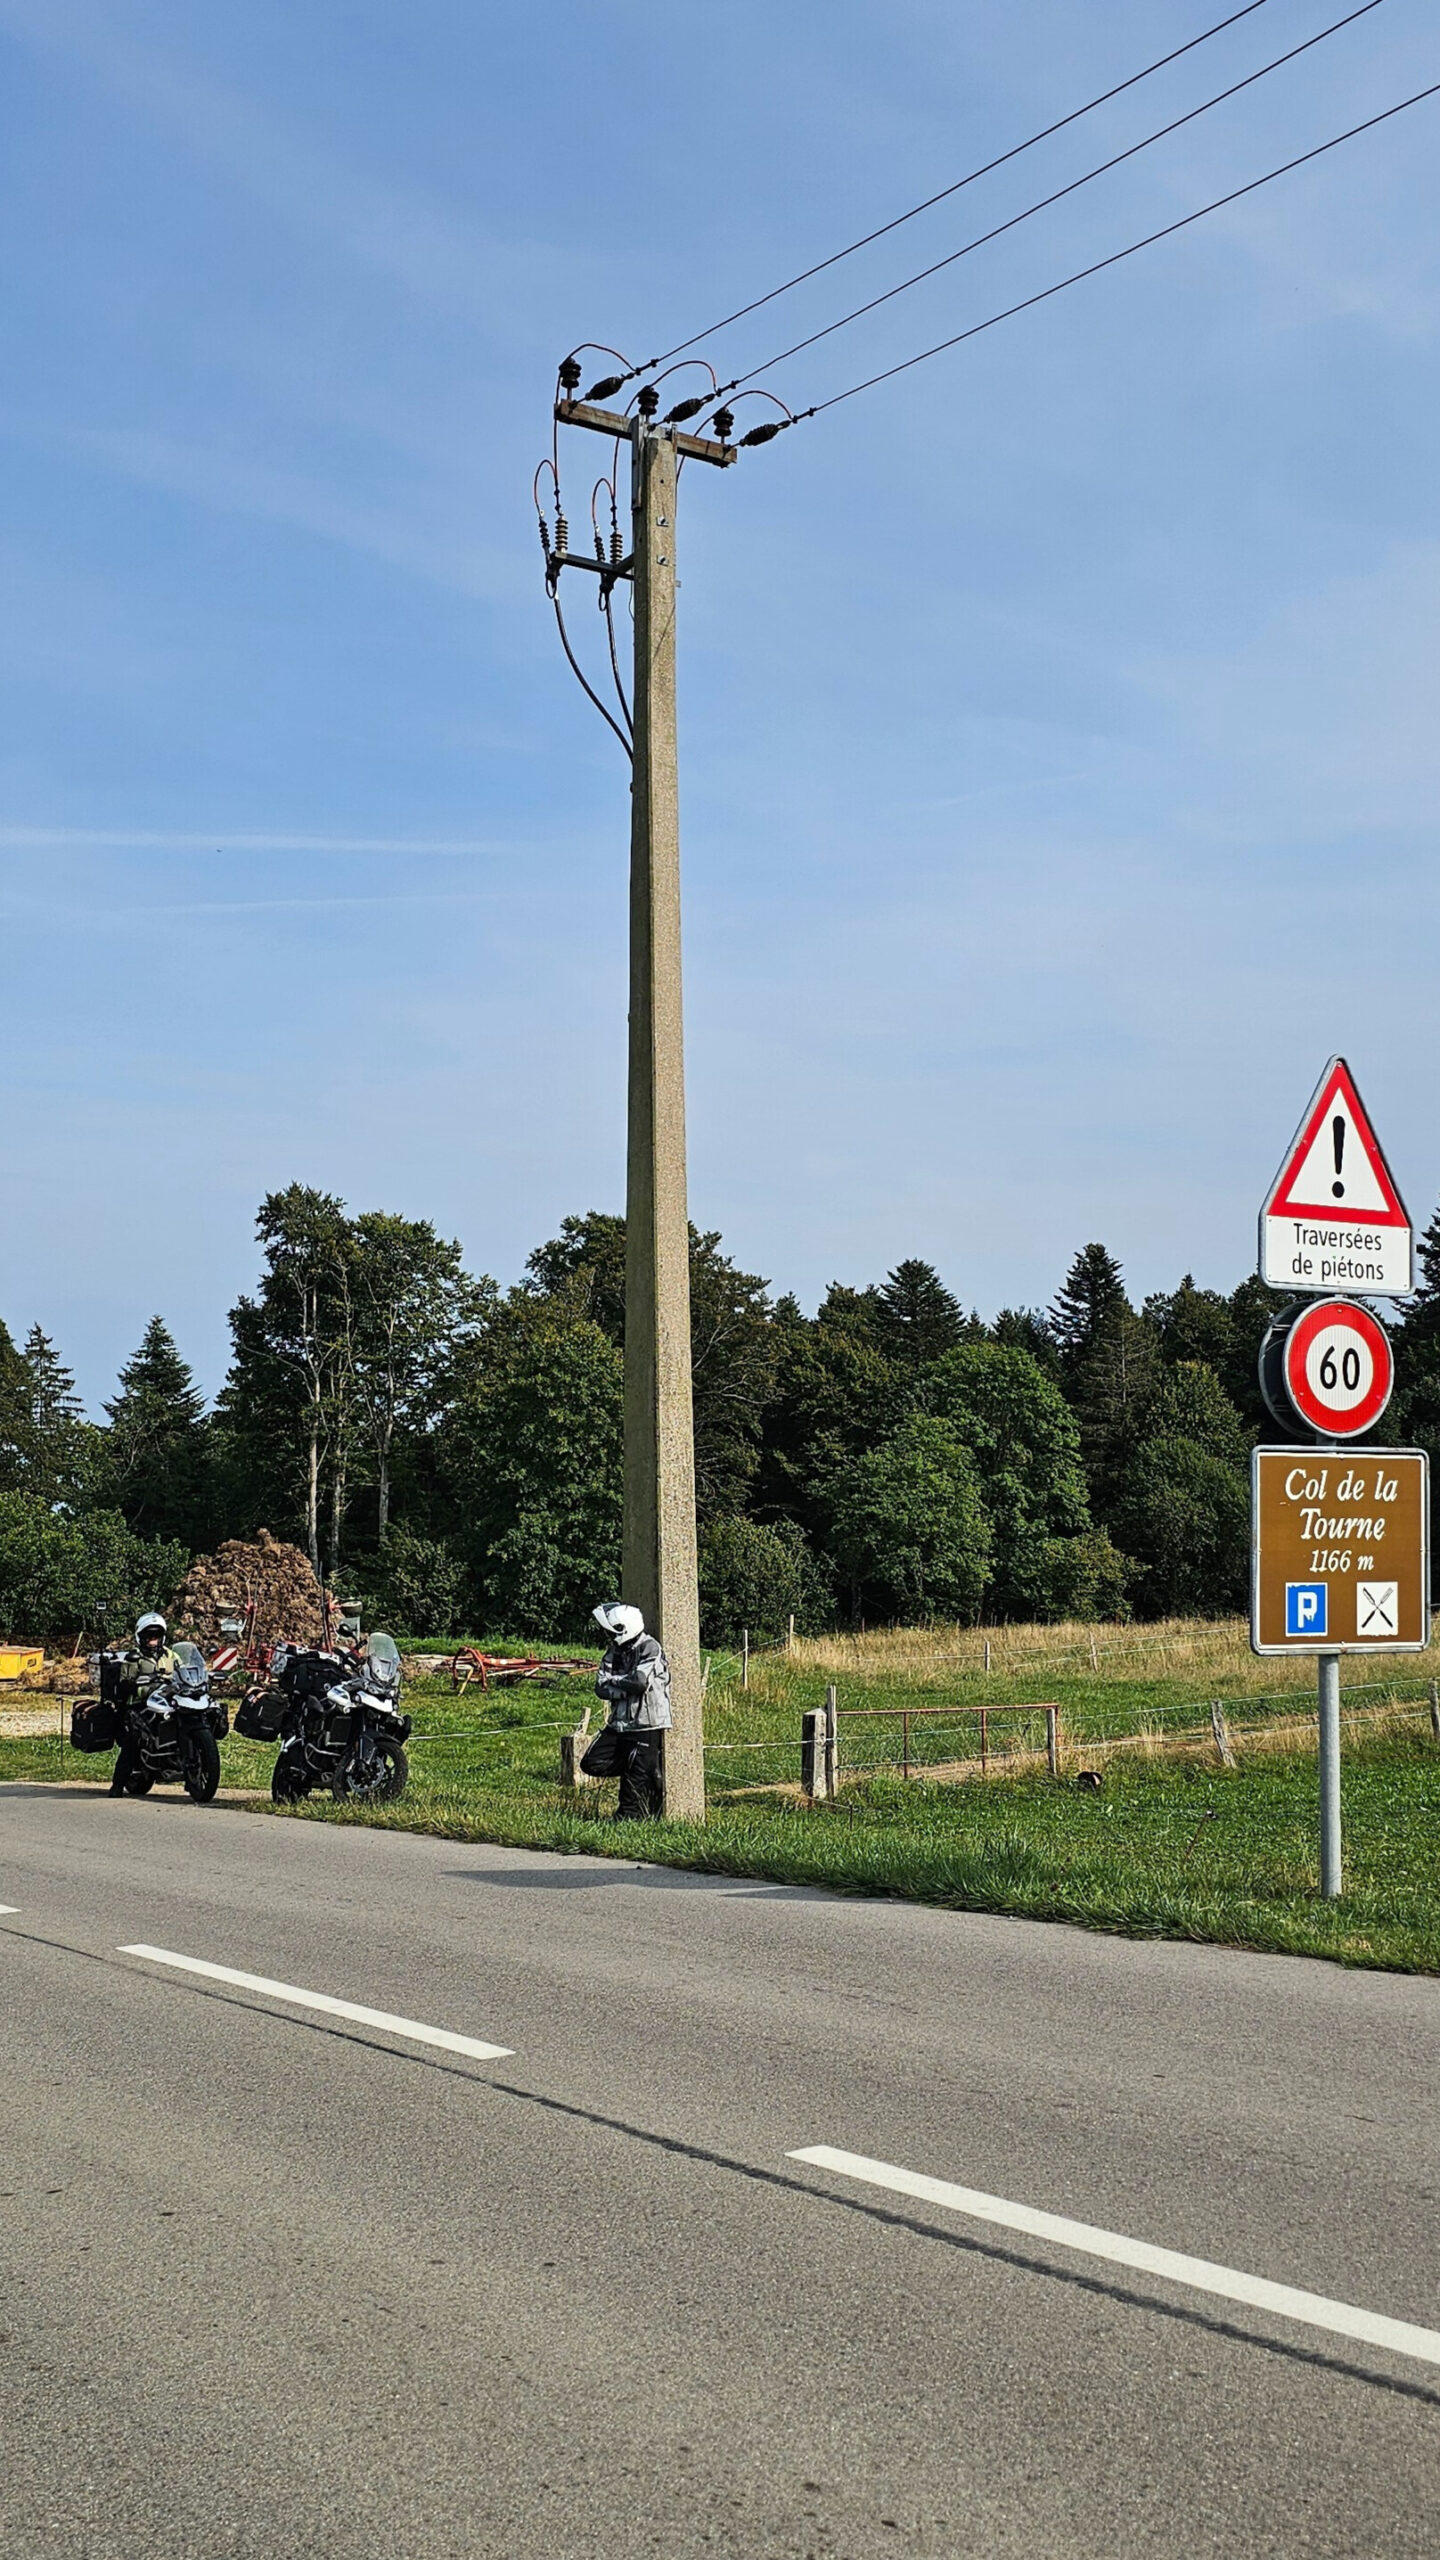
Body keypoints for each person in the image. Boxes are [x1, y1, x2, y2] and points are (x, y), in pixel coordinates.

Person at [587, 1602, 671, 1820]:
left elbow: (640, 1682)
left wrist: (615, 1682)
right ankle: (642, 1768)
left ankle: (629, 1819)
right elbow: (600, 1688)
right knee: (592, 1762)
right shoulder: (614, 1652)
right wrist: (624, 1687)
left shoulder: (650, 1647)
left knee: (637, 1777)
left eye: (611, 1631)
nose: (608, 1636)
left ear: (624, 1629)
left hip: (647, 1723)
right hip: (619, 1723)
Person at [108, 1611, 175, 1797]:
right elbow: (125, 1683)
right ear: (141, 1636)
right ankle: (117, 1785)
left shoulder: (171, 1654)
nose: (153, 1639)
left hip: (167, 1701)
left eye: (157, 1635)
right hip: (139, 1705)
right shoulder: (133, 1657)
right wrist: (142, 1685)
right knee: (134, 1740)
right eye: (149, 1635)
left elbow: (184, 1669)